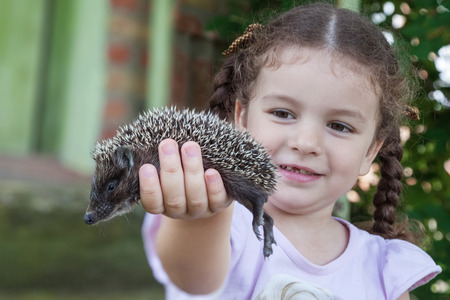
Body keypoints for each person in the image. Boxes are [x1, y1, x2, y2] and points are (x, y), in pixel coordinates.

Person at [139, 2, 441, 299]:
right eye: (283, 113)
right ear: (241, 119)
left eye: (339, 126)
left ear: (370, 152)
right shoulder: (220, 222)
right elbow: (193, 279)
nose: (306, 143)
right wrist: (200, 217)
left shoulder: (385, 271)